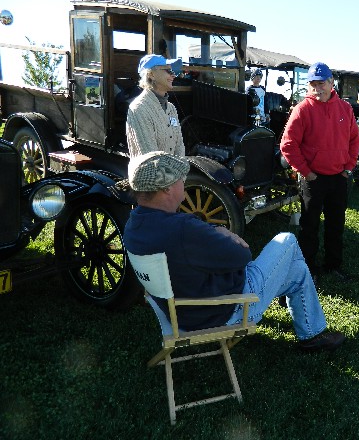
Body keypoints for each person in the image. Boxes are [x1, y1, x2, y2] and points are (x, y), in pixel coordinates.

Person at [123, 151, 345, 352]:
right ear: (166, 188)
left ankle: (311, 333)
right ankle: (303, 322)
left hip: (181, 313)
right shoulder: (183, 230)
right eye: (181, 177)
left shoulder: (134, 225)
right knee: (286, 241)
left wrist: (216, 230)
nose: (184, 181)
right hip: (223, 312)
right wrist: (227, 234)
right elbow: (242, 257)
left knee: (295, 269)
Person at [280, 62, 359, 281]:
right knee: (310, 226)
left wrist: (348, 166)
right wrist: (306, 172)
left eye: (321, 83)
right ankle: (308, 268)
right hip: (313, 179)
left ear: (331, 82)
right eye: (313, 84)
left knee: (336, 225)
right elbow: (288, 144)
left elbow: (355, 139)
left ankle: (333, 266)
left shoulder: (345, 108)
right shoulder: (303, 109)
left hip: (338, 178)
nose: (318, 88)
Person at [126, 54, 185, 158]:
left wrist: (180, 170)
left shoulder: (171, 108)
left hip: (174, 173)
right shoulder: (139, 109)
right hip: (151, 174)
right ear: (151, 74)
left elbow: (180, 147)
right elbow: (150, 159)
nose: (173, 75)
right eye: (168, 71)